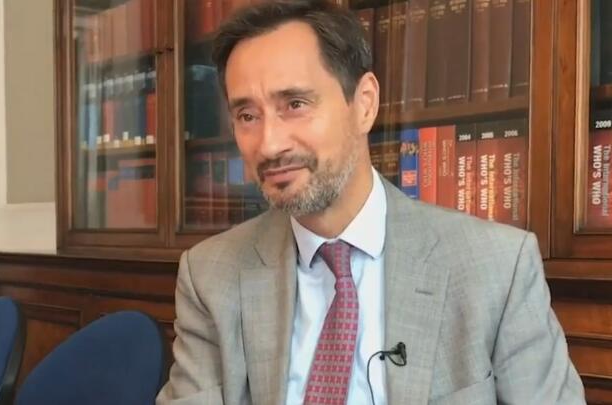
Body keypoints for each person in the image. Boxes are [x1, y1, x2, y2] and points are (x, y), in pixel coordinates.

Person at [157, 1, 586, 404]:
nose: (269, 144)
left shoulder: (497, 268)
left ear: (364, 104)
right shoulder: (211, 276)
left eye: (295, 104)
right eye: (247, 116)